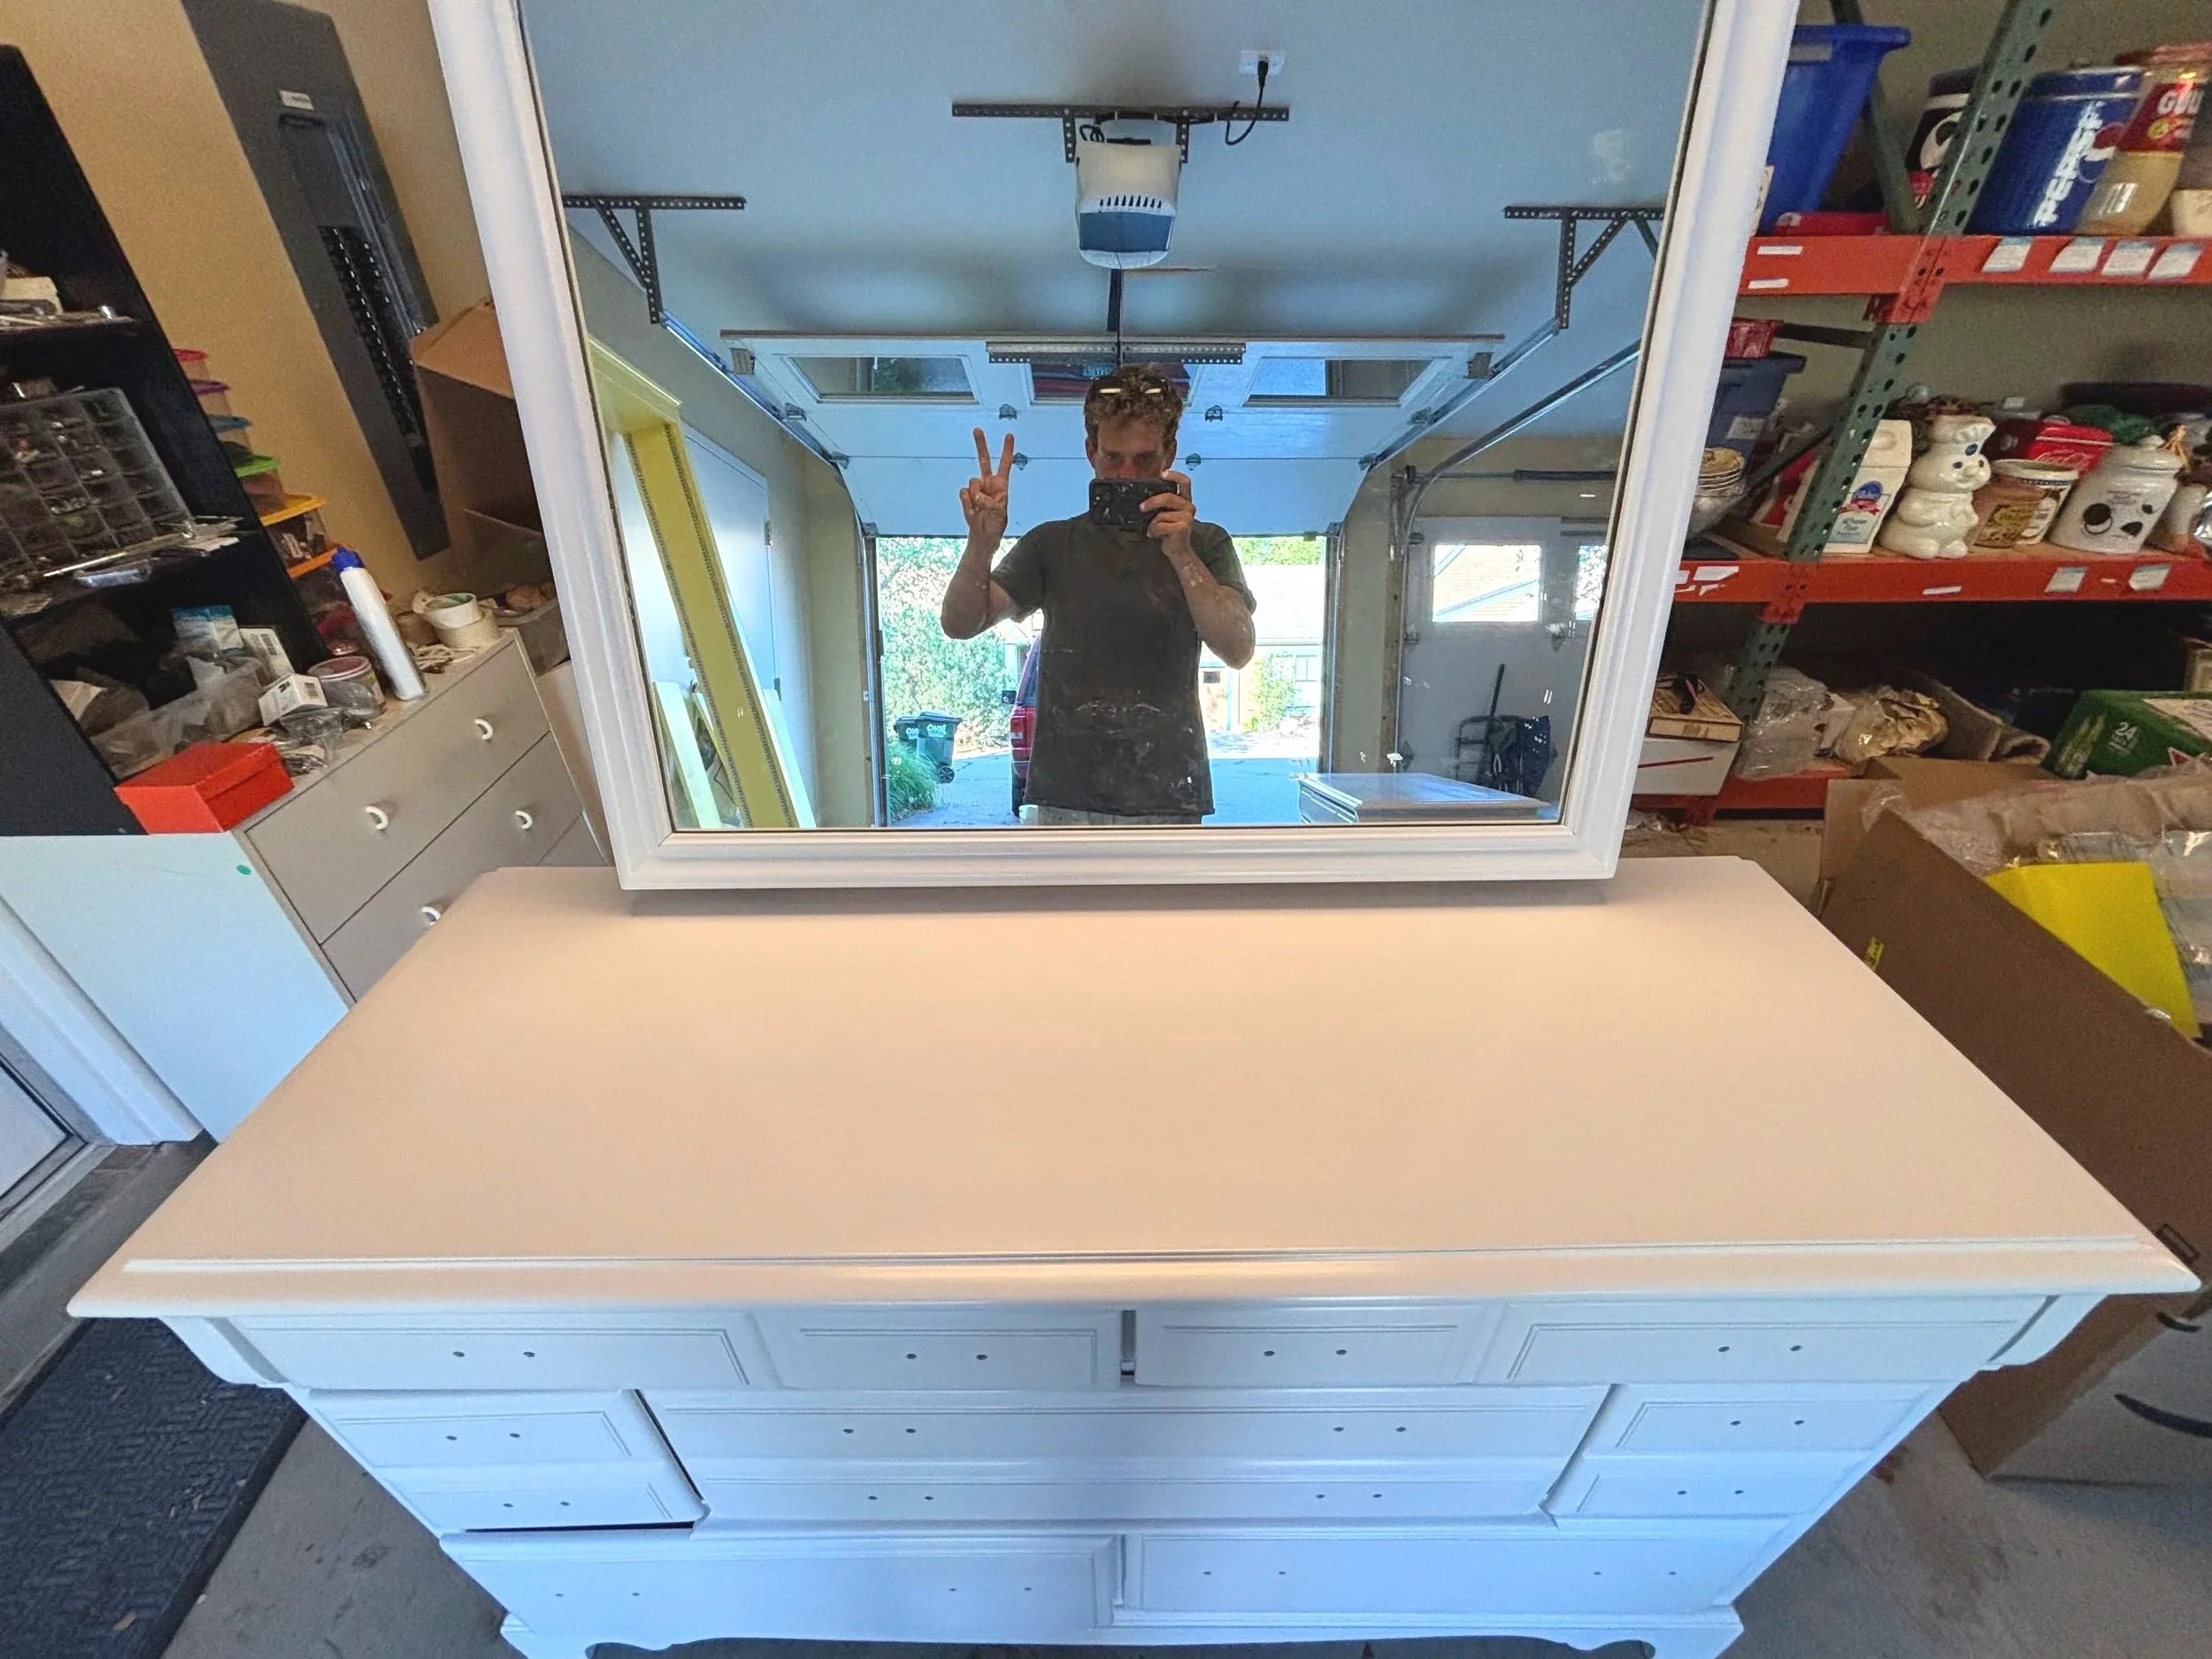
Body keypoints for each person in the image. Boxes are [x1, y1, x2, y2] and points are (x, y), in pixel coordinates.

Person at [939, 365, 1255, 825]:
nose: (1127, 475)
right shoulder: (1051, 546)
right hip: (1066, 799)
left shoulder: (1205, 544)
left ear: (1170, 452)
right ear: (1090, 452)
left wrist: (1182, 556)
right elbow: (960, 623)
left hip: (1167, 797)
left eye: (1145, 461)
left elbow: (1238, 648)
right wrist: (981, 544)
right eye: (1113, 458)